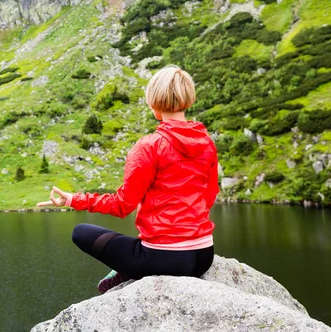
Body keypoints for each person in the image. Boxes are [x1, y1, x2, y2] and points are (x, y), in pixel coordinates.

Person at [37, 65, 219, 293]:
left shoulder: (150, 146)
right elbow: (210, 196)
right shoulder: (207, 144)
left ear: (154, 103)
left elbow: (123, 205)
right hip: (204, 255)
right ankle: (133, 264)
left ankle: (129, 269)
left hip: (165, 259)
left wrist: (74, 200)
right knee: (137, 244)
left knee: (80, 232)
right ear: (189, 99)